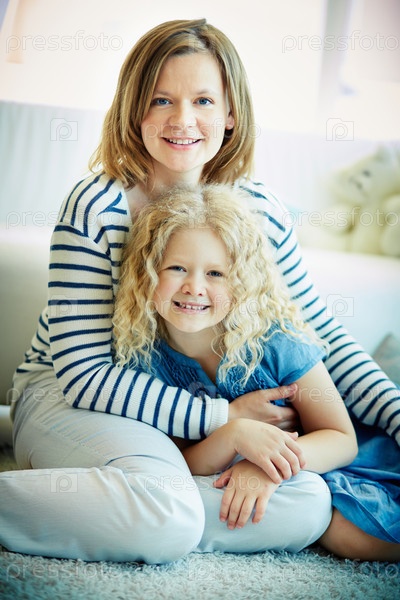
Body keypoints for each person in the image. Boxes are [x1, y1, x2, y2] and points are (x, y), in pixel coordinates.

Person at [0, 18, 398, 563]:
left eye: (204, 101)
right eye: (161, 99)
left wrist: (396, 415)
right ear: (134, 109)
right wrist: (227, 420)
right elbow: (84, 376)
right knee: (167, 506)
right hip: (70, 397)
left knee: (307, 501)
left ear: (231, 113)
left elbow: (319, 335)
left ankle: (150, 511)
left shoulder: (259, 211)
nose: (183, 120)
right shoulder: (97, 207)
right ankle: (151, 510)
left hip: (172, 416)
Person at [113, 182, 359, 527]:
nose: (194, 287)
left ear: (241, 283)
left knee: (349, 534)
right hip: (234, 481)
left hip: (315, 463)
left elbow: (343, 440)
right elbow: (180, 462)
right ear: (146, 273)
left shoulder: (274, 340)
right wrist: (233, 434)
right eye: (177, 268)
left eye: (216, 273)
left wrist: (265, 466)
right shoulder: (142, 355)